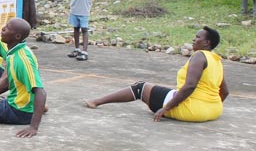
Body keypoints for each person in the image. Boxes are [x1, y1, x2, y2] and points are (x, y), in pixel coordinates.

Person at [85, 27, 228, 123]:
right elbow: (225, 92)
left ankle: (96, 101)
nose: (193, 40)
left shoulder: (199, 56)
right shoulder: (216, 60)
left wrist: (166, 108)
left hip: (193, 111)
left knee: (140, 87)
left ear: (206, 43)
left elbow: (190, 86)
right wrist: (209, 105)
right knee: (166, 91)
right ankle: (97, 101)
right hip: (214, 110)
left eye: (197, 38)